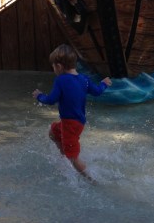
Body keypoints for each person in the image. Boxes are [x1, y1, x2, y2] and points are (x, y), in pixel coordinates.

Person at [32, 44, 112, 180]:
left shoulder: (61, 80)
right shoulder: (84, 79)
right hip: (76, 122)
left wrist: (39, 96)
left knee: (73, 157)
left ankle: (91, 180)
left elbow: (51, 100)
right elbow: (97, 92)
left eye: (53, 66)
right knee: (53, 133)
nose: (53, 69)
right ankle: (63, 156)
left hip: (70, 124)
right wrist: (104, 83)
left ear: (59, 66)